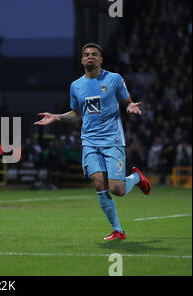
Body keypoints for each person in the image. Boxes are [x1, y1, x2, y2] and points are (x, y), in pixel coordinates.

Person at [34, 43, 151, 240]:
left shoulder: (114, 79)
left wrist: (131, 107)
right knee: (99, 184)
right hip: (89, 141)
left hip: (113, 139)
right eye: (87, 54)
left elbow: (127, 101)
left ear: (101, 59)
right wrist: (57, 117)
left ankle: (136, 177)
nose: (90, 57)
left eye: (94, 54)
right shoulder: (76, 86)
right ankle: (118, 230)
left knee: (117, 190)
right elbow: (77, 114)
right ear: (81, 60)